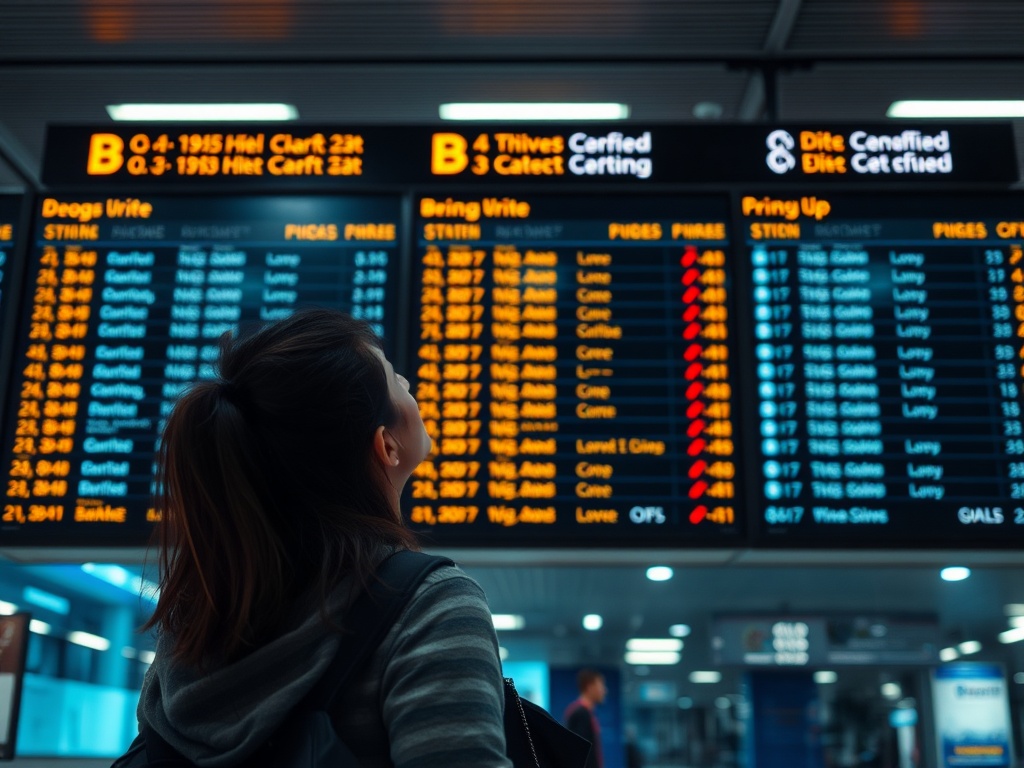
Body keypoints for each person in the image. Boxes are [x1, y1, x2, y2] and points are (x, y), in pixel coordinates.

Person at [134, 308, 511, 767]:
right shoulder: (429, 605)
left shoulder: (194, 623)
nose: (409, 384)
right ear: (386, 446)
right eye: (395, 379)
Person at [564, 668, 606, 768]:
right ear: (590, 687)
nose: (604, 691)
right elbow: (579, 753)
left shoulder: (586, 712)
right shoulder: (580, 714)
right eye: (601, 686)